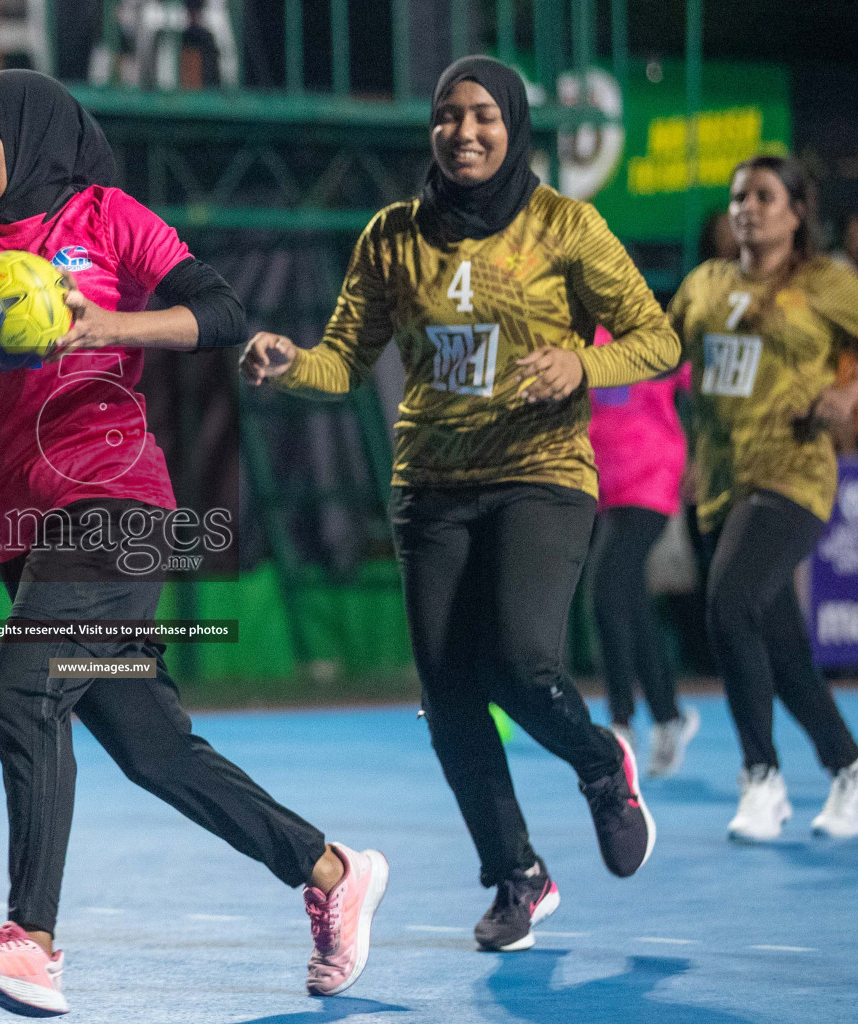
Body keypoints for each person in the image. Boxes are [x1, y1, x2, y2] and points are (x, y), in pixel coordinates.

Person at [0, 69, 387, 1016]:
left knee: (23, 691)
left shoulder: (107, 218)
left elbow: (223, 312)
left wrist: (105, 325)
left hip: (116, 506)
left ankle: (30, 942)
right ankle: (330, 872)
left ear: (29, 136)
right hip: (26, 525)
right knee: (153, 748)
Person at [241, 56, 671, 954]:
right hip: (430, 486)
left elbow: (657, 338)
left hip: (540, 471)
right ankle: (518, 876)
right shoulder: (393, 236)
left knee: (520, 661)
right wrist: (290, 365)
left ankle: (602, 766)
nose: (463, 132)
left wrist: (581, 363)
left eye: (482, 115)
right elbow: (342, 360)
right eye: (447, 116)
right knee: (448, 700)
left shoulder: (568, 226)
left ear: (514, 126)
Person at [671, 155, 858, 843]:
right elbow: (661, 352)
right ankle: (850, 766)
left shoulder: (827, 284)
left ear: (795, 211)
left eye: (762, 196)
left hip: (794, 476)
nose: (746, 207)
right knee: (781, 648)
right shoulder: (704, 284)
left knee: (728, 601)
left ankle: (762, 779)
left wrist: (849, 391)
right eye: (737, 197)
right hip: (723, 483)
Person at [586, 325, 700, 775]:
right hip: (606, 490)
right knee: (630, 600)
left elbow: (707, 393)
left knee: (605, 591)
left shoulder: (658, 339)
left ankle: (620, 724)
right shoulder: (583, 339)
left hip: (654, 480)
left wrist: (705, 452)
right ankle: (670, 717)